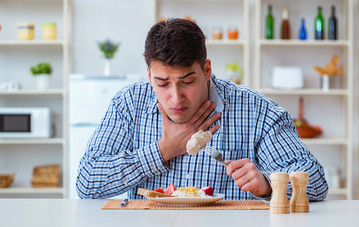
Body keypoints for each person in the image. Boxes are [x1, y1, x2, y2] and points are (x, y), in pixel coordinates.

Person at [76, 18, 328, 200]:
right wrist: (164, 150)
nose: (175, 98)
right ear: (149, 75)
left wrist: (269, 183)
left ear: (206, 70)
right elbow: (86, 183)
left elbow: (316, 182)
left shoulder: (258, 111)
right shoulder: (129, 104)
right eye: (162, 83)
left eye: (187, 82)